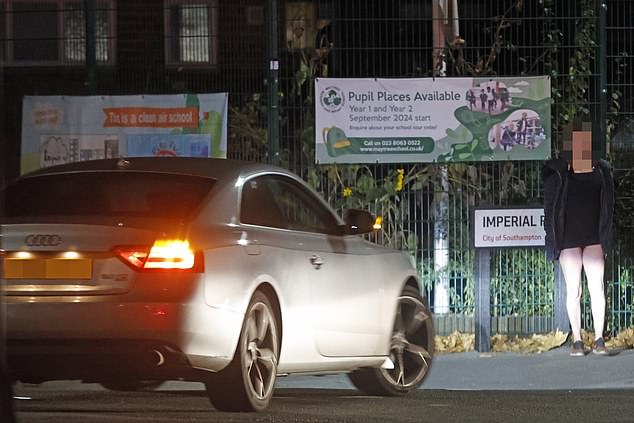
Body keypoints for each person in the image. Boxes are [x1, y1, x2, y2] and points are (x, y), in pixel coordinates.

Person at [542, 130, 615, 357]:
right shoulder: (558, 174)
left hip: (595, 237)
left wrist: (607, 236)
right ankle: (577, 339)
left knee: (597, 288)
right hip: (568, 240)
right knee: (574, 290)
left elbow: (609, 205)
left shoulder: (601, 172)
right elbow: (550, 211)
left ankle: (600, 338)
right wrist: (552, 241)